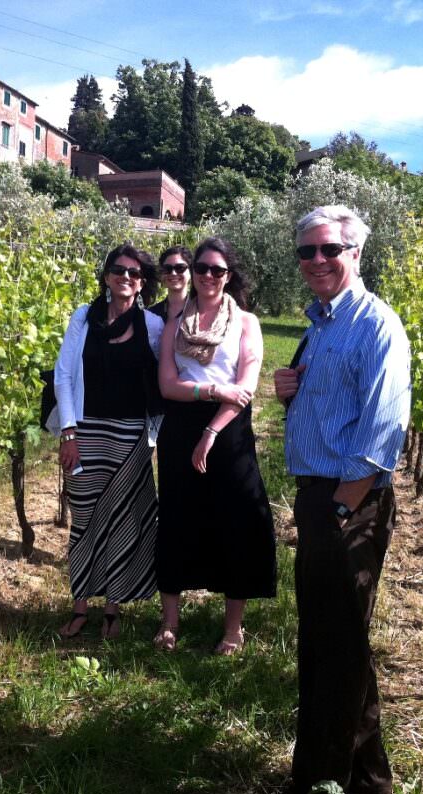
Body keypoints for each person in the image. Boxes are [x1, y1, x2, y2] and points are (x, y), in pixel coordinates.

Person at [228, 205, 411, 794]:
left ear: (356, 252)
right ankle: (368, 782)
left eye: (328, 250)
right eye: (305, 252)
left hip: (347, 504)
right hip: (324, 499)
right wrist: (291, 392)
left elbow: (384, 431)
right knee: (342, 642)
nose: (316, 262)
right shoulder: (322, 325)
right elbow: (337, 405)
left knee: (328, 653)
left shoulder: (373, 323)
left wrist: (338, 508)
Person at [154, 237, 276, 655]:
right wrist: (208, 391)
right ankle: (170, 622)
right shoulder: (175, 324)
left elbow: (244, 390)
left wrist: (210, 433)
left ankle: (233, 629)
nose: (208, 276)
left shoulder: (246, 323)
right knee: (175, 519)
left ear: (229, 276)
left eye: (217, 270)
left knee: (238, 520)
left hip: (228, 432)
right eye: (202, 267)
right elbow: (168, 386)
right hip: (180, 429)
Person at [51, 245, 165, 639]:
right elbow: (64, 375)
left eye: (135, 274)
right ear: (106, 275)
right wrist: (69, 432)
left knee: (122, 521)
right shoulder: (83, 319)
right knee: (83, 519)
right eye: (119, 270)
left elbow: (166, 373)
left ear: (143, 283)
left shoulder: (152, 325)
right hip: (85, 432)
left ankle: (113, 608)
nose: (126, 277)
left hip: (130, 435)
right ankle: (81, 606)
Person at [148, 245, 193, 323]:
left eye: (180, 268)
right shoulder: (151, 314)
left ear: (191, 271)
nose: (173, 273)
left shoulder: (200, 310)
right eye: (167, 269)